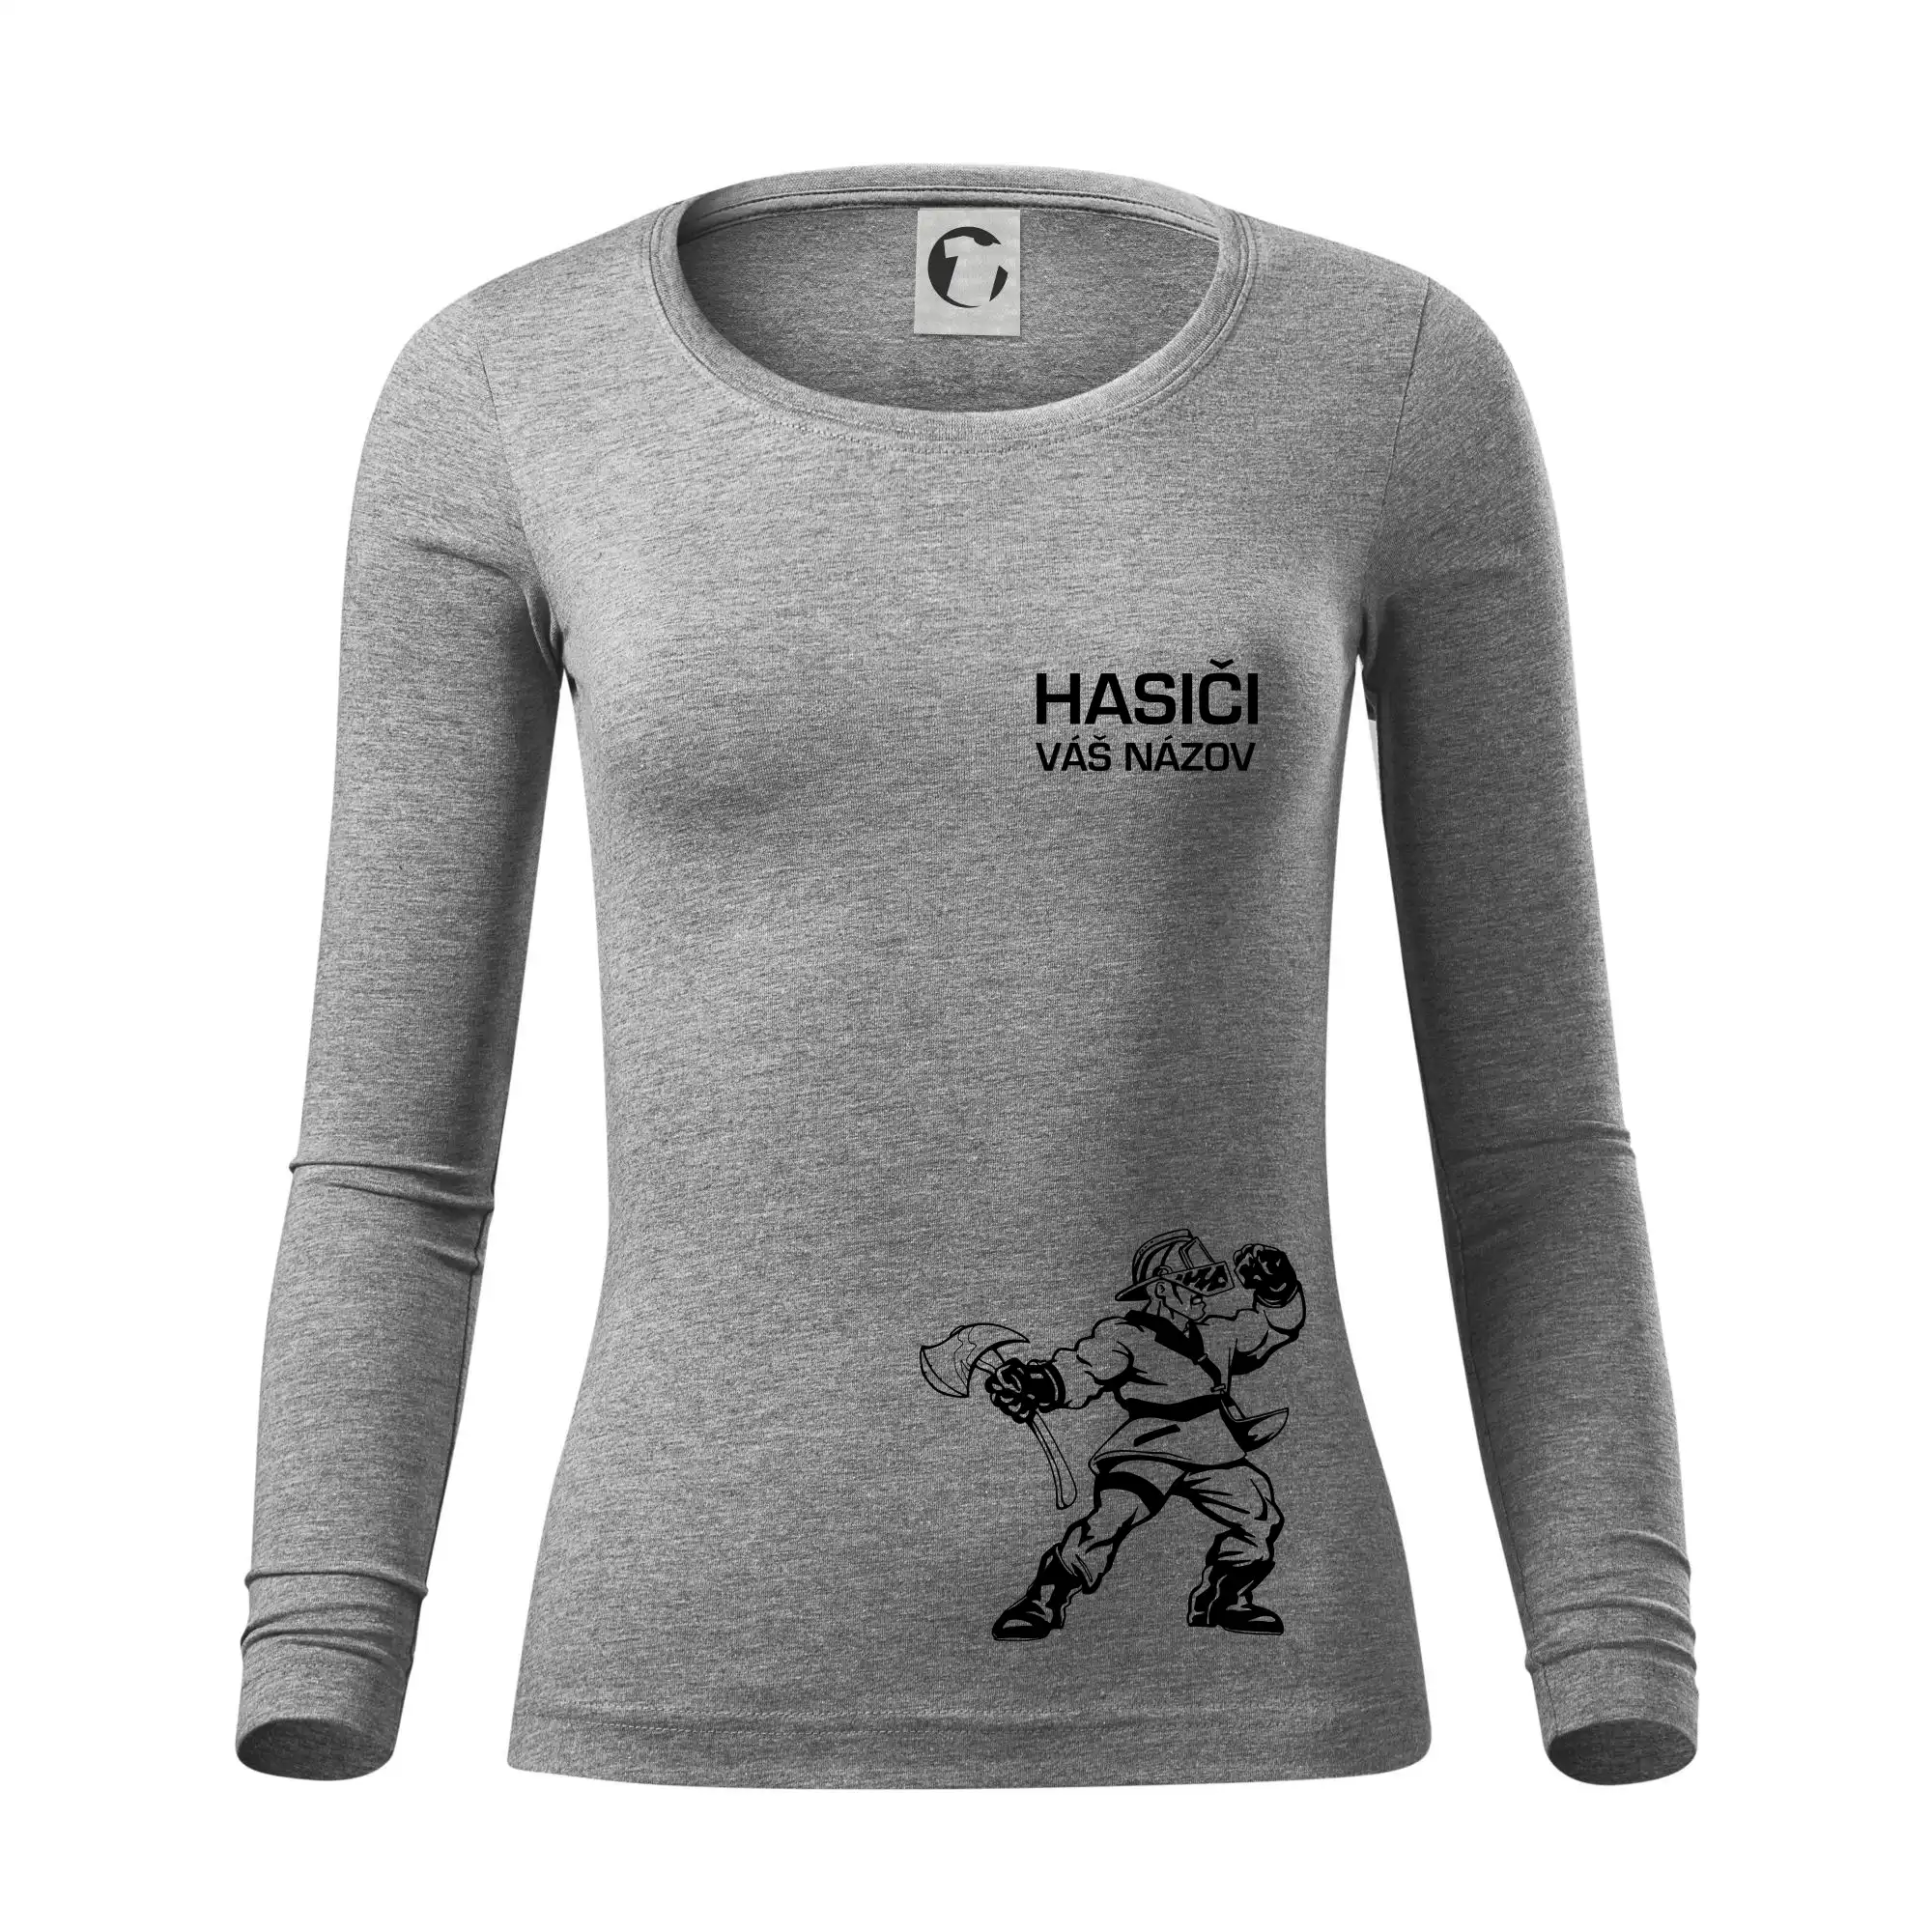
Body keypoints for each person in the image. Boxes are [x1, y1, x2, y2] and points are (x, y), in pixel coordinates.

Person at [984, 1228, 1307, 1638]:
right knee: (1109, 1521)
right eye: (1194, 1282)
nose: (1203, 1293)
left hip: (1213, 1449)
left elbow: (1274, 1328)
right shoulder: (1125, 1335)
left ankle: (1223, 1600)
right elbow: (1083, 1369)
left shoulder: (1217, 1332)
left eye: (1209, 1281)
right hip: (1151, 1448)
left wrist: (1278, 1287)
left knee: (1259, 1515)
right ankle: (1042, 1601)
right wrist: (1037, 1383)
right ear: (1161, 1288)